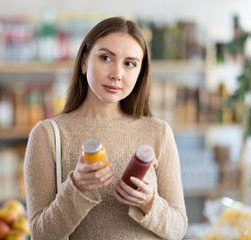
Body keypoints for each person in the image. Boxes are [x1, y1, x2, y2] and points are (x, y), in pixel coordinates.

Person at [24, 16, 188, 240]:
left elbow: (178, 229)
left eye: (129, 63)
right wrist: (77, 189)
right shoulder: (48, 134)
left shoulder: (158, 132)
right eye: (106, 58)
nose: (117, 74)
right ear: (84, 62)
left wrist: (150, 203)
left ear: (140, 72)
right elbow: (41, 234)